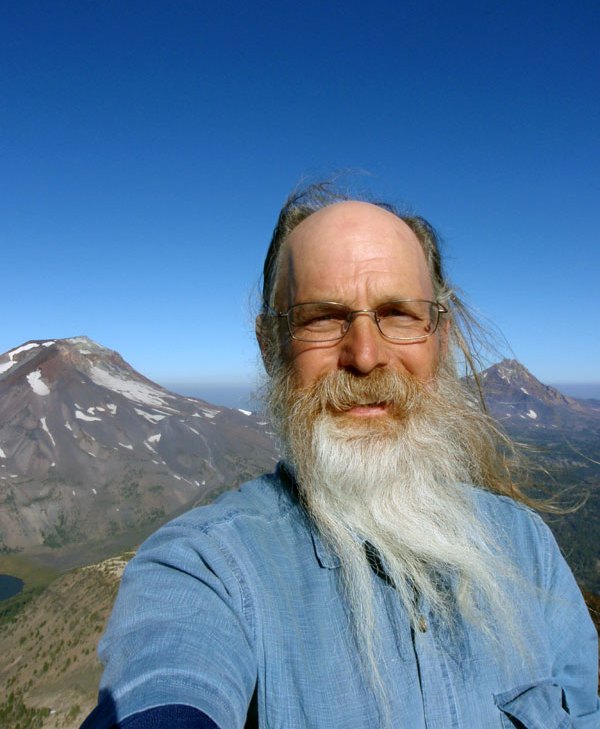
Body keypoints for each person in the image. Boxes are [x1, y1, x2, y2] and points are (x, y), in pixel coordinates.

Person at [82, 185, 599, 728]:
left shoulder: (527, 549)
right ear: (270, 345)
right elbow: (165, 685)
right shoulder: (208, 571)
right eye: (322, 317)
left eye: (399, 313)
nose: (366, 355)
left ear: (439, 339)